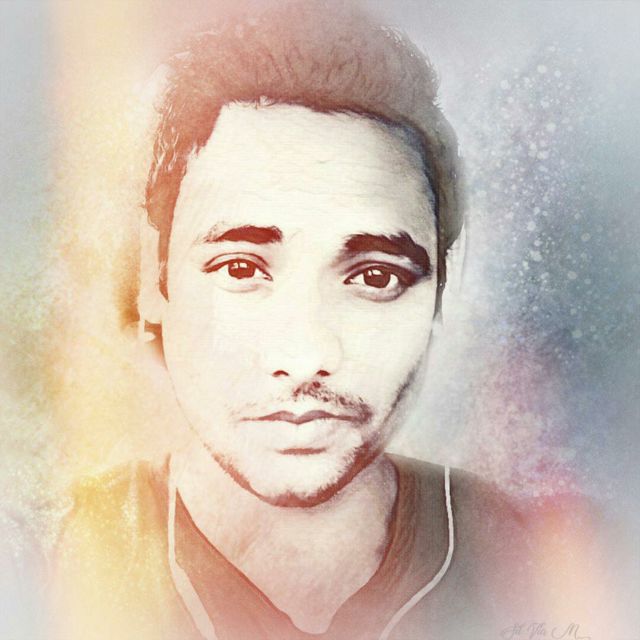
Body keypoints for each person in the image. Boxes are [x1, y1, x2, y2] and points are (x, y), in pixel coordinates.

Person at [50, 3, 544, 639]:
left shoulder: (535, 559)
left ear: (442, 288)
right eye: (240, 268)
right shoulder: (49, 559)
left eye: (375, 277)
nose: (306, 354)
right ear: (154, 275)